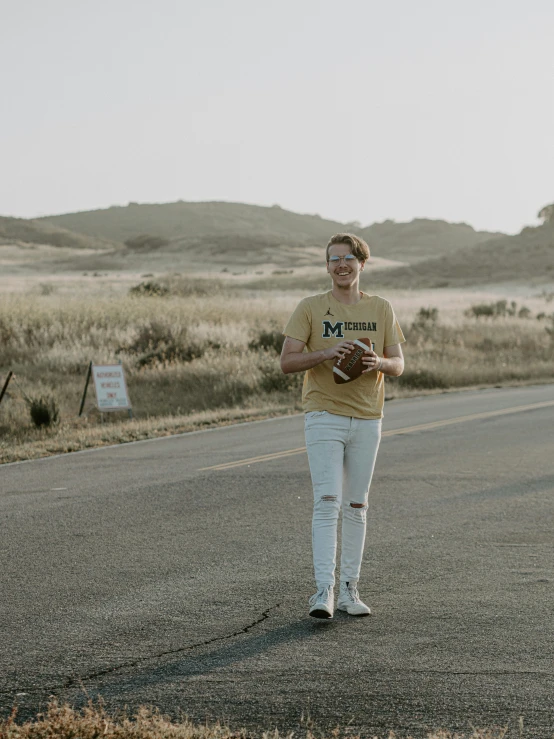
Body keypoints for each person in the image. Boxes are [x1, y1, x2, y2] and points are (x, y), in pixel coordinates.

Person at [280, 233, 405, 619]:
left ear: (362, 264)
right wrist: (326, 352)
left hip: (368, 418)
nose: (341, 265)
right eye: (334, 260)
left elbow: (398, 363)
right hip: (324, 415)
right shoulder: (311, 307)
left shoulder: (381, 309)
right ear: (328, 267)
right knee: (327, 501)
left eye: (349, 258)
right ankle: (324, 591)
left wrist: (377, 363)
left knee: (356, 504)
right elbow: (287, 361)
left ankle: (351, 590)